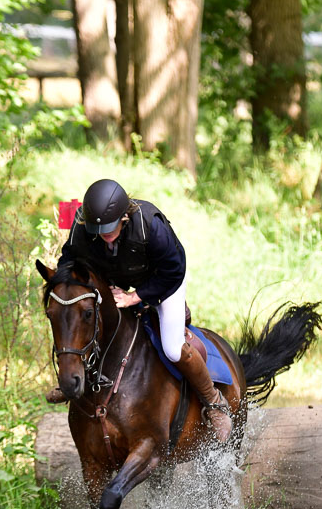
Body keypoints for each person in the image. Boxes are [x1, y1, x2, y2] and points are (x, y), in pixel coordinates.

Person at [46, 179, 232, 443]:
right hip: (117, 281)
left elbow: (174, 270)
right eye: (98, 230)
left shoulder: (150, 226)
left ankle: (214, 402)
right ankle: (74, 379)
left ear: (125, 216)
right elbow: (69, 259)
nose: (103, 235)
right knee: (88, 324)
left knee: (171, 347)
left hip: (162, 281)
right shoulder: (84, 226)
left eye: (109, 229)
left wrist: (136, 297)